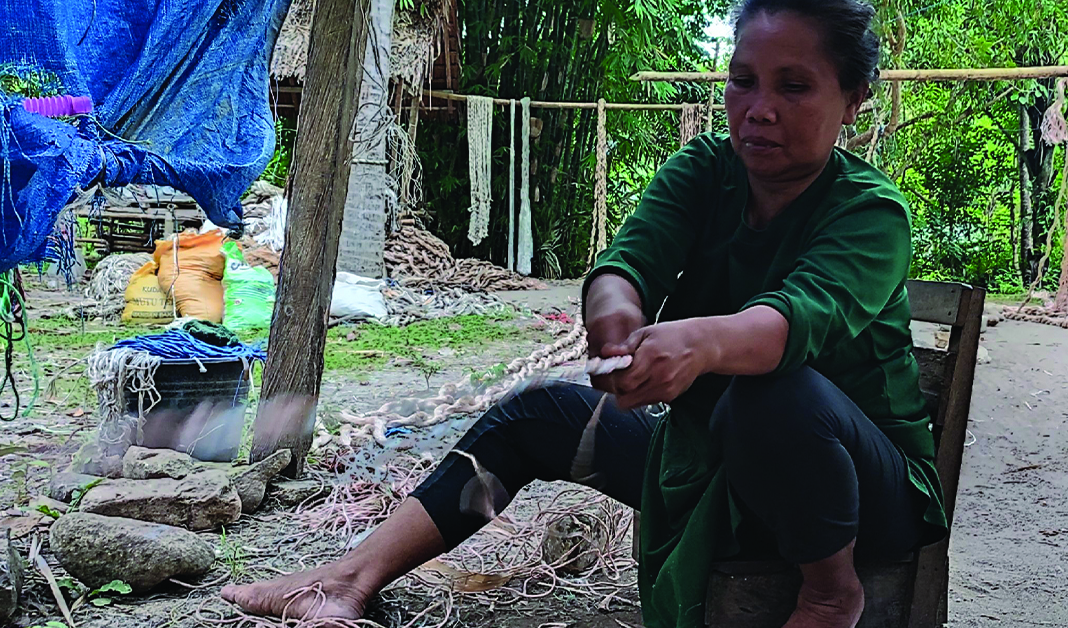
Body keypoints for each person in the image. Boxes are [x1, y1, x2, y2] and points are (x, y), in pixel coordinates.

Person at [222, 0, 948, 626]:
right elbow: (626, 266)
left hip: (859, 495)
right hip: (715, 459)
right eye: (743, 80)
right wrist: (616, 317)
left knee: (771, 396)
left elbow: (788, 326)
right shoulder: (703, 172)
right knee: (534, 418)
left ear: (853, 102)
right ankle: (347, 581)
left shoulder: (869, 213)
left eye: (796, 87)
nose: (758, 108)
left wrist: (696, 343)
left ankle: (831, 596)